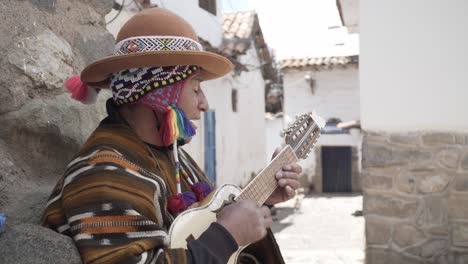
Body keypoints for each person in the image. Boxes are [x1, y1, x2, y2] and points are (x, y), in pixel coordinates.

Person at [42, 8, 302, 264]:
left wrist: (261, 197)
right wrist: (227, 235)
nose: (204, 104)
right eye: (196, 88)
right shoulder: (104, 172)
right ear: (160, 93)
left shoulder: (173, 157)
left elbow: (200, 227)